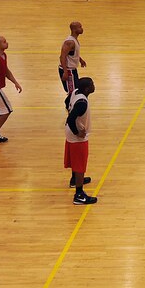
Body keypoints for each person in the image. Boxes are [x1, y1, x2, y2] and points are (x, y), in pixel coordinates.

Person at [66, 77, 98, 205]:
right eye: (92, 85)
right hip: (76, 136)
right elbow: (71, 118)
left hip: (69, 132)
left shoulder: (75, 92)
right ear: (87, 89)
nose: (94, 86)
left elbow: (66, 101)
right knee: (80, 164)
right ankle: (79, 195)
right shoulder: (82, 103)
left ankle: (75, 180)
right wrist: (77, 132)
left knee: (76, 161)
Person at [59, 21, 87, 110]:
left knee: (75, 89)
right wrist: (65, 71)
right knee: (72, 91)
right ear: (74, 29)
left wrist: (80, 59)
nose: (82, 28)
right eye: (80, 27)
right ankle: (69, 107)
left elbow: (72, 54)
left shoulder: (74, 40)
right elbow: (62, 56)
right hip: (68, 70)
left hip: (72, 69)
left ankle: (70, 105)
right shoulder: (70, 42)